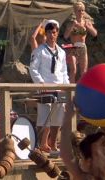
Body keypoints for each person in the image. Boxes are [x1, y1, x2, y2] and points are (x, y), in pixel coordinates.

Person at [29, 20, 69, 153]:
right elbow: (33, 69)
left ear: (57, 33)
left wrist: (66, 86)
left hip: (59, 87)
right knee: (44, 116)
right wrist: (41, 84)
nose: (52, 35)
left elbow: (64, 71)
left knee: (58, 117)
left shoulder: (62, 52)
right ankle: (42, 144)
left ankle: (53, 144)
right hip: (45, 87)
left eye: (54, 32)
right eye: (49, 32)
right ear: (45, 34)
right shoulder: (39, 51)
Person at [60, 102, 105, 180]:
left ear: (88, 162)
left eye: (82, 158)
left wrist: (67, 118)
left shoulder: (84, 178)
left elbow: (66, 154)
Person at [63, 1, 97, 83]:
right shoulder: (71, 23)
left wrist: (89, 28)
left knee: (84, 71)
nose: (81, 12)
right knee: (73, 69)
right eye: (79, 10)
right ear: (75, 11)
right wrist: (72, 26)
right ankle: (70, 90)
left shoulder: (86, 22)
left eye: (82, 10)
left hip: (82, 47)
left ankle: (81, 89)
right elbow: (65, 36)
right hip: (73, 47)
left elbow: (95, 34)